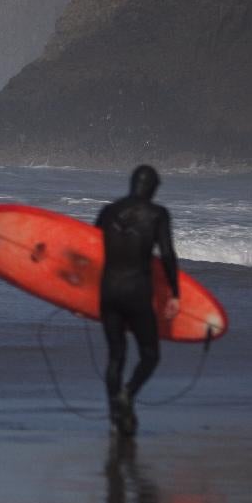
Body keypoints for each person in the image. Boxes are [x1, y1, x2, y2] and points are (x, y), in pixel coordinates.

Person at [95, 164, 179, 438]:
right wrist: (175, 293)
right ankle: (127, 395)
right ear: (153, 188)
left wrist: (80, 298)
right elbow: (167, 255)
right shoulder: (157, 214)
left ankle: (114, 418)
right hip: (137, 292)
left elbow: (89, 250)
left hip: (108, 291)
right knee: (150, 354)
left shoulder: (108, 212)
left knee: (115, 356)